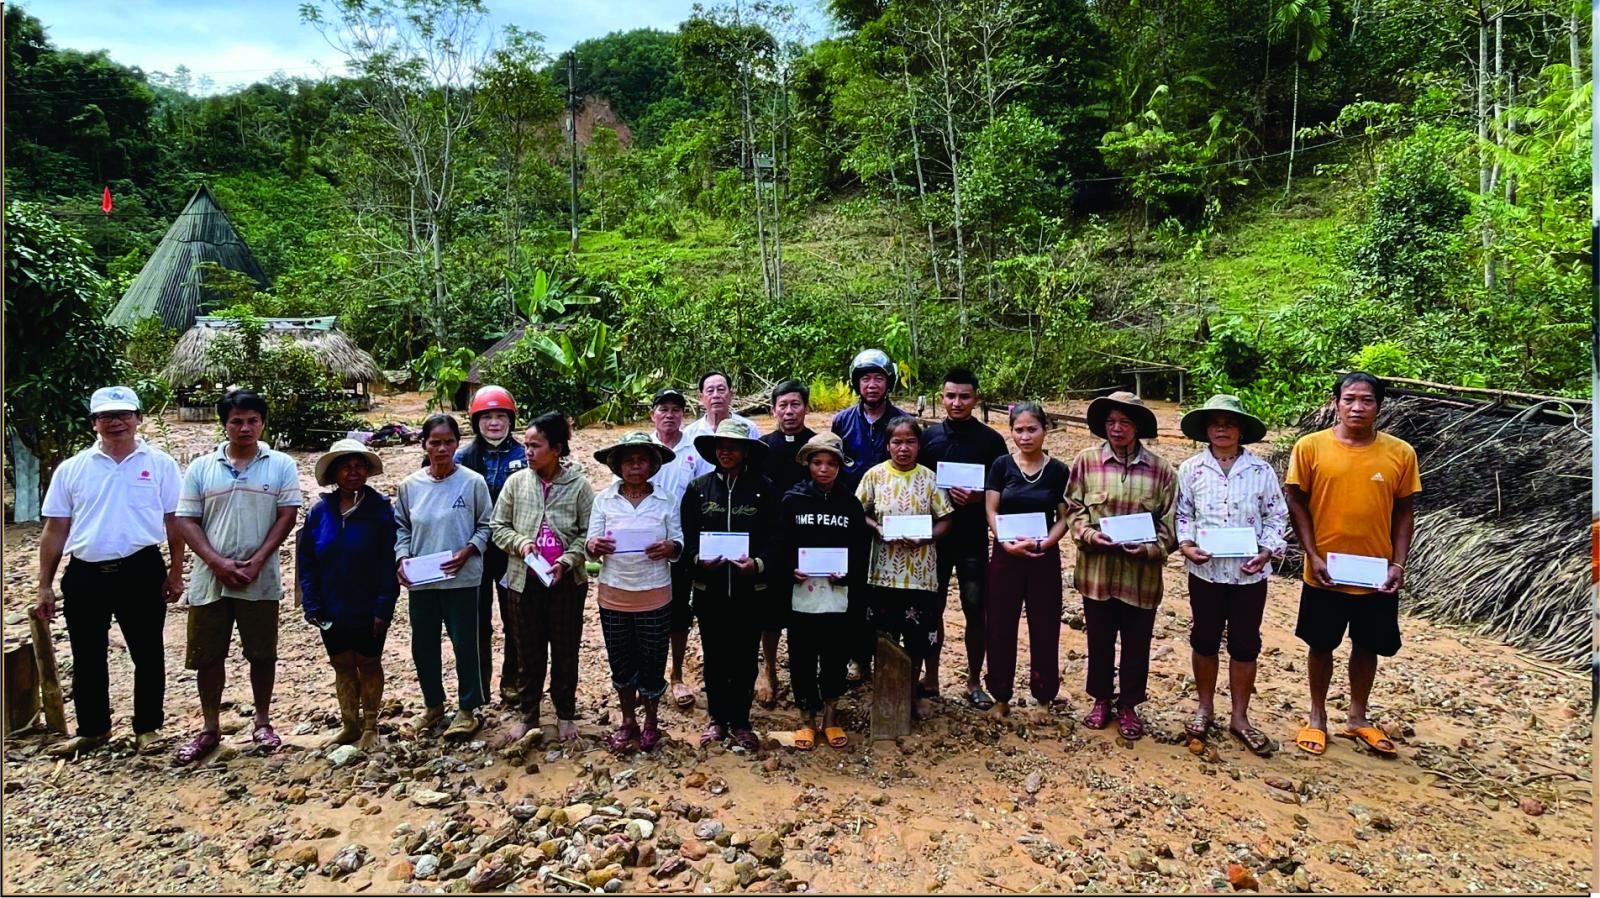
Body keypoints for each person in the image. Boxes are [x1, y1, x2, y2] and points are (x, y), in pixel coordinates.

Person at [35, 386, 185, 757]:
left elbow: (175, 521)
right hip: (85, 573)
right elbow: (55, 529)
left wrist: (176, 571)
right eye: (105, 416)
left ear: (139, 419)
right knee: (86, 655)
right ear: (94, 423)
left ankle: (147, 728)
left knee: (147, 652)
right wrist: (44, 585)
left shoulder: (161, 465)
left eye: (123, 415)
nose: (115, 422)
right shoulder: (73, 469)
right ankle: (93, 729)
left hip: (141, 568)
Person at [1284, 373, 1418, 758]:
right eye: (1349, 399)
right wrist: (1311, 554)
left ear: (1379, 406)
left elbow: (1404, 511)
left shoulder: (1400, 453)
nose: (1357, 407)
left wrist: (1398, 563)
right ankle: (1317, 715)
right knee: (1320, 644)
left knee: (1367, 645)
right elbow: (1296, 500)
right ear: (1336, 403)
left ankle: (1358, 716)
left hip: (1375, 572)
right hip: (1324, 570)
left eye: (1366, 400)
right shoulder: (1310, 447)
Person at [172, 390, 301, 764]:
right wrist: (216, 562)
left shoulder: (280, 465)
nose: (245, 428)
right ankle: (210, 728)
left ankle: (262, 722)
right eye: (236, 421)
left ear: (262, 423)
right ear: (224, 424)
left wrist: (258, 561)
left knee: (262, 653)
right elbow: (186, 520)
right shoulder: (201, 467)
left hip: (259, 577)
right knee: (207, 655)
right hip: (209, 579)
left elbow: (287, 516)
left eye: (252, 421)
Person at [1175, 395, 1288, 756]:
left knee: (1244, 643)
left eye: (1229, 423)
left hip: (1248, 575)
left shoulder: (1260, 471)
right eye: (1215, 423)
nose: (1222, 429)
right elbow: (1183, 513)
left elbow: (1276, 515)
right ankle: (1205, 708)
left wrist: (1266, 550)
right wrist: (1186, 544)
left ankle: (1240, 717)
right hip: (1205, 572)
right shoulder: (1191, 469)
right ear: (1206, 429)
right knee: (1204, 639)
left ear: (1241, 430)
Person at [1064, 391, 1177, 742]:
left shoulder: (1161, 470)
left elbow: (1170, 522)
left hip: (1140, 576)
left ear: (1138, 427)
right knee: (1098, 639)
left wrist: (1150, 549)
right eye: (1111, 421)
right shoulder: (1086, 462)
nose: (1117, 428)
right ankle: (1100, 699)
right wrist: (1088, 535)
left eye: (1125, 422)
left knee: (1136, 643)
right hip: (1096, 572)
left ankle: (1129, 704)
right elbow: (1073, 508)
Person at [490, 412, 595, 744]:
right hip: (523, 581)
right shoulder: (516, 483)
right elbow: (498, 527)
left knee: (565, 650)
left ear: (557, 449)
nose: (528, 452)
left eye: (536, 446)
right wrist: (521, 543)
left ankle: (565, 714)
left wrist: (567, 559)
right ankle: (529, 715)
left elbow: (589, 533)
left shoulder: (578, 487)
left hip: (567, 583)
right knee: (528, 652)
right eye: (526, 445)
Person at [395, 413, 493, 741]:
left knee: (465, 643)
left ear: (457, 444)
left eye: (448, 442)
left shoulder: (472, 482)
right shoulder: (410, 486)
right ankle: (433, 705)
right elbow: (402, 527)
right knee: (423, 645)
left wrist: (468, 550)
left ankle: (468, 708)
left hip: (462, 578)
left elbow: (487, 525)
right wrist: (402, 558)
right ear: (424, 444)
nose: (441, 449)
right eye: (435, 442)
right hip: (422, 579)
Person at [767, 432, 867, 750]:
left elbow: (860, 549)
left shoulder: (850, 503)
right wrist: (789, 569)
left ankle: (831, 717)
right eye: (817, 462)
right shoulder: (792, 500)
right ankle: (807, 719)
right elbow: (779, 544)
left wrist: (848, 575)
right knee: (802, 658)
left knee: (836, 657)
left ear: (839, 467)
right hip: (802, 594)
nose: (824, 469)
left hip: (838, 596)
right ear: (807, 464)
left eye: (831, 464)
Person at [297, 439, 399, 751]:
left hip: (368, 605)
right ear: (334, 473)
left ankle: (370, 725)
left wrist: (384, 606)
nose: (353, 472)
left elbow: (389, 561)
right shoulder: (319, 512)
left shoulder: (380, 510)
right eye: (346, 467)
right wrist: (311, 603)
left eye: (359, 466)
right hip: (331, 606)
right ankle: (349, 724)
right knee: (341, 663)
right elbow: (307, 561)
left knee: (368, 662)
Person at [680, 419, 776, 750]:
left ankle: (742, 721)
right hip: (711, 590)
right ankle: (717, 719)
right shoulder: (699, 488)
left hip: (751, 591)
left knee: (746, 657)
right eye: (720, 446)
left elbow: (775, 538)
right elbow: (686, 535)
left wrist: (758, 564)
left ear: (746, 451)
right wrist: (697, 560)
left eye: (733, 446)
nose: (726, 452)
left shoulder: (764, 488)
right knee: (715, 655)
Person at [586, 432, 683, 753]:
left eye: (642, 460)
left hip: (655, 593)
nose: (636, 466)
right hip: (614, 594)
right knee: (621, 660)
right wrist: (594, 546)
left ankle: (652, 721)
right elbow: (590, 543)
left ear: (653, 465)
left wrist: (670, 547)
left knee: (653, 660)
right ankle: (628, 720)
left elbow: (679, 541)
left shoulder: (666, 500)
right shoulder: (604, 499)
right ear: (617, 466)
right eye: (629, 461)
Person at [919, 367, 1008, 709]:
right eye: (951, 396)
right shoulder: (928, 439)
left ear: (976, 399)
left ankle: (973, 680)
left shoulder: (991, 441)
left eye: (964, 397)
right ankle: (931, 676)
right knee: (932, 608)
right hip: (935, 540)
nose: (957, 403)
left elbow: (1004, 488)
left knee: (975, 608)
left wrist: (978, 496)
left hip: (973, 539)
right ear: (941, 398)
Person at [855, 416, 954, 719]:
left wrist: (927, 537)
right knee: (884, 638)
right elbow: (858, 511)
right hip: (883, 573)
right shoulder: (874, 476)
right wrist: (877, 528)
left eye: (910, 442)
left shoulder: (930, 478)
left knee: (916, 638)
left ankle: (911, 695)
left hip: (920, 575)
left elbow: (946, 518)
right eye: (897, 442)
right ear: (887, 445)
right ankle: (884, 696)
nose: (903, 448)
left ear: (919, 445)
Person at [983, 402, 1071, 719]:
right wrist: (1004, 541)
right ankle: (1000, 696)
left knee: (1045, 625)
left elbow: (1064, 517)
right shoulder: (1001, 466)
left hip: (1042, 555)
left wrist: (1044, 543)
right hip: (1006, 555)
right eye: (1018, 430)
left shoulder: (1058, 471)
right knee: (1000, 625)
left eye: (1032, 429)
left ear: (1045, 430)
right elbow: (991, 509)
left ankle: (1044, 698)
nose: (1025, 436)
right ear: (1011, 431)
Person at [830, 349, 908, 681]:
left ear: (889, 382)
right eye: (865, 379)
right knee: (855, 589)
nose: (872, 385)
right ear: (856, 383)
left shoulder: (901, 422)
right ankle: (858, 657)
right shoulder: (842, 421)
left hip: (894, 522)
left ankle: (890, 661)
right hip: (853, 519)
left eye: (878, 378)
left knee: (889, 593)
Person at [454, 385, 527, 706]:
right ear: (476, 421)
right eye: (487, 417)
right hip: (474, 551)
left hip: (513, 551)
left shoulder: (525, 455)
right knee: (476, 620)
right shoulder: (462, 458)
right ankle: (478, 685)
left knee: (516, 619)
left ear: (511, 420)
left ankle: (513, 680)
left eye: (500, 416)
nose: (494, 423)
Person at [755, 378, 818, 707]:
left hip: (808, 539)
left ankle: (804, 671)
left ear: (806, 408)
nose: (790, 411)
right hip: (772, 539)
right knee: (770, 611)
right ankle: (768, 668)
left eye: (796, 405)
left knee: (807, 607)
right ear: (773, 410)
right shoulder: (762, 447)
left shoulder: (817, 446)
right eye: (783, 406)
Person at [647, 387, 705, 712]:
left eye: (676, 409)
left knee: (679, 611)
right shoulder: (641, 447)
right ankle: (648, 675)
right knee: (645, 610)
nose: (669, 415)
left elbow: (703, 497)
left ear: (683, 414)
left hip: (681, 544)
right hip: (644, 545)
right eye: (663, 408)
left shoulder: (693, 450)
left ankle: (677, 674)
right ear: (652, 414)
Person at [681, 371, 762, 481]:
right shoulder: (689, 433)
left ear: (731, 394)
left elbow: (757, 462)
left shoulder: (748, 428)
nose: (715, 395)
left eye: (721, 390)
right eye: (710, 391)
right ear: (701, 397)